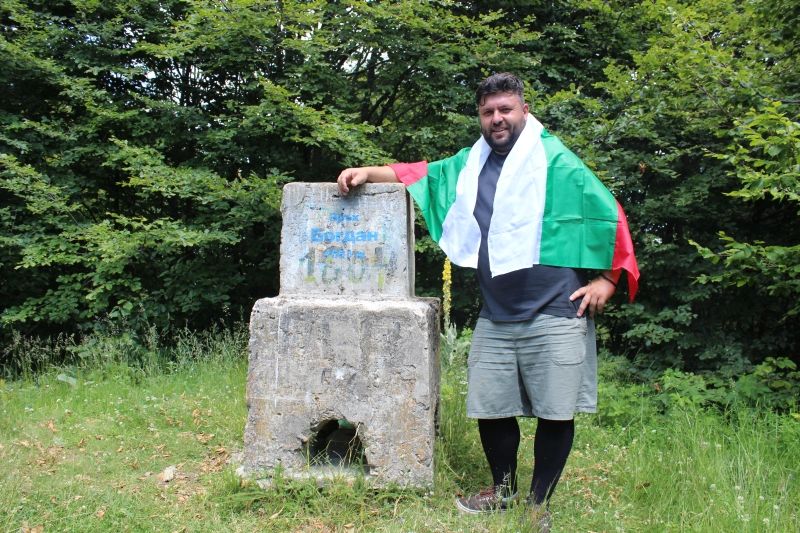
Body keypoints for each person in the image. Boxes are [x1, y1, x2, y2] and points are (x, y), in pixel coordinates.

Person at [337, 72, 639, 531]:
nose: (497, 118)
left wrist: (609, 279)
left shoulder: (555, 159)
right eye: (488, 111)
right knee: (491, 407)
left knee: (555, 412)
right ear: (480, 117)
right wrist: (366, 173)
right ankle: (503, 490)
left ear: (524, 111)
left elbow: (605, 212)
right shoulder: (469, 164)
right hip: (497, 314)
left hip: (556, 310)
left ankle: (538, 505)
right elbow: (418, 174)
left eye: (505, 109)